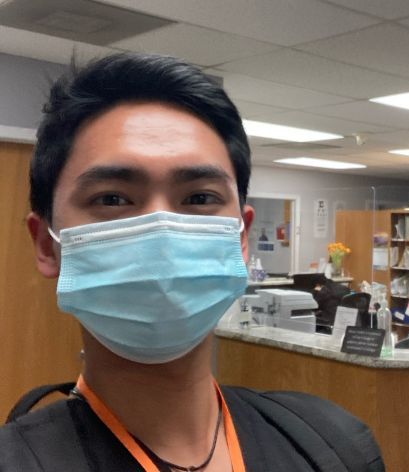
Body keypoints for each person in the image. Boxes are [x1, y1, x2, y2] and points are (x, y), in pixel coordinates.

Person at [0, 53, 385, 471]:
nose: (162, 232)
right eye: (112, 198)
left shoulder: (333, 445)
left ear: (241, 238)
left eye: (200, 198)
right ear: (46, 244)